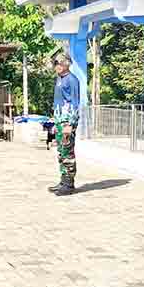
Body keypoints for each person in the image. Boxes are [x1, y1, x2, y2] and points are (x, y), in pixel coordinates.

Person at [49, 53, 81, 196]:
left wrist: (70, 124)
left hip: (67, 121)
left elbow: (75, 103)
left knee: (68, 151)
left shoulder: (72, 80)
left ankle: (69, 184)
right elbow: (58, 102)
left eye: (58, 64)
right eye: (55, 64)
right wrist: (55, 121)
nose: (56, 67)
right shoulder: (59, 79)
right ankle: (63, 180)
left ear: (65, 64)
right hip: (60, 120)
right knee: (61, 151)